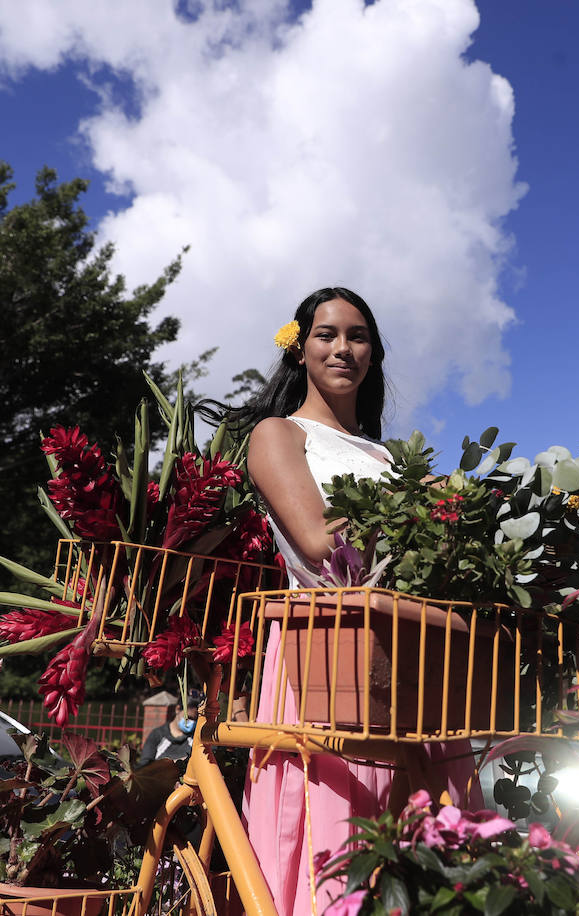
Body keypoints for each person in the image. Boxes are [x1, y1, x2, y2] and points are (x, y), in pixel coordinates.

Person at [229, 288, 478, 915]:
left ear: (374, 354)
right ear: (300, 347)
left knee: (431, 832)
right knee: (340, 825)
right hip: (324, 649)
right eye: (327, 334)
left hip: (404, 646)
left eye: (359, 336)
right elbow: (316, 541)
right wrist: (421, 507)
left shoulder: (394, 458)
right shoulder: (279, 434)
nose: (344, 348)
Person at [137, 690, 201, 767]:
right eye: (188, 717)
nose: (192, 722)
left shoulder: (197, 738)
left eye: (195, 719)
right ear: (177, 709)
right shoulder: (157, 734)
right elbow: (144, 766)